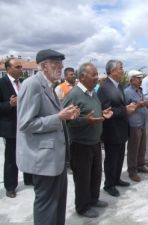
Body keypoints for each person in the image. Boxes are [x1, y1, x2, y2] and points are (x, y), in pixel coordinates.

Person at [16, 49, 80, 225]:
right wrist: (59, 117)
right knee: (47, 206)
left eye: (61, 64)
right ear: (44, 66)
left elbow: (51, 116)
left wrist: (67, 116)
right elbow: (26, 124)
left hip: (55, 158)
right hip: (43, 159)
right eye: (55, 64)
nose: (60, 67)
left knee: (58, 204)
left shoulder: (49, 85)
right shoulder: (33, 84)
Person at [63, 63, 113, 218]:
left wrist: (102, 113)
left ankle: (93, 199)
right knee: (83, 178)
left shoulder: (92, 93)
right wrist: (86, 121)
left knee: (96, 174)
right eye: (93, 74)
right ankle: (82, 207)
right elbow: (65, 121)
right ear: (82, 76)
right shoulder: (73, 95)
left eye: (97, 74)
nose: (97, 77)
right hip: (80, 145)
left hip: (95, 142)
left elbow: (92, 112)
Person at [97, 59, 136, 197]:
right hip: (111, 130)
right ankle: (109, 184)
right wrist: (125, 109)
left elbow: (120, 105)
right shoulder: (104, 88)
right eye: (120, 68)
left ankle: (117, 178)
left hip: (121, 129)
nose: (122, 70)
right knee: (111, 159)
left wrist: (130, 106)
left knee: (119, 157)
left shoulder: (119, 86)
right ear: (112, 71)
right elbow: (106, 110)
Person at [0, 58, 32, 198]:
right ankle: (10, 186)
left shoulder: (24, 83)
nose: (21, 69)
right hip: (11, 127)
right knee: (12, 157)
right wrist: (9, 105)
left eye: (21, 66)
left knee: (28, 153)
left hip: (26, 125)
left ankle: (29, 179)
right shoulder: (2, 83)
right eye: (18, 66)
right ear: (8, 68)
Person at [124, 70, 148, 182]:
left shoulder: (140, 90)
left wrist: (147, 104)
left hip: (142, 122)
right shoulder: (127, 92)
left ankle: (141, 165)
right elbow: (125, 108)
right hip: (133, 124)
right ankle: (132, 171)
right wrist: (138, 105)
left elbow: (142, 104)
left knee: (142, 147)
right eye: (138, 78)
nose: (141, 80)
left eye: (141, 78)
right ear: (131, 80)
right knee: (133, 149)